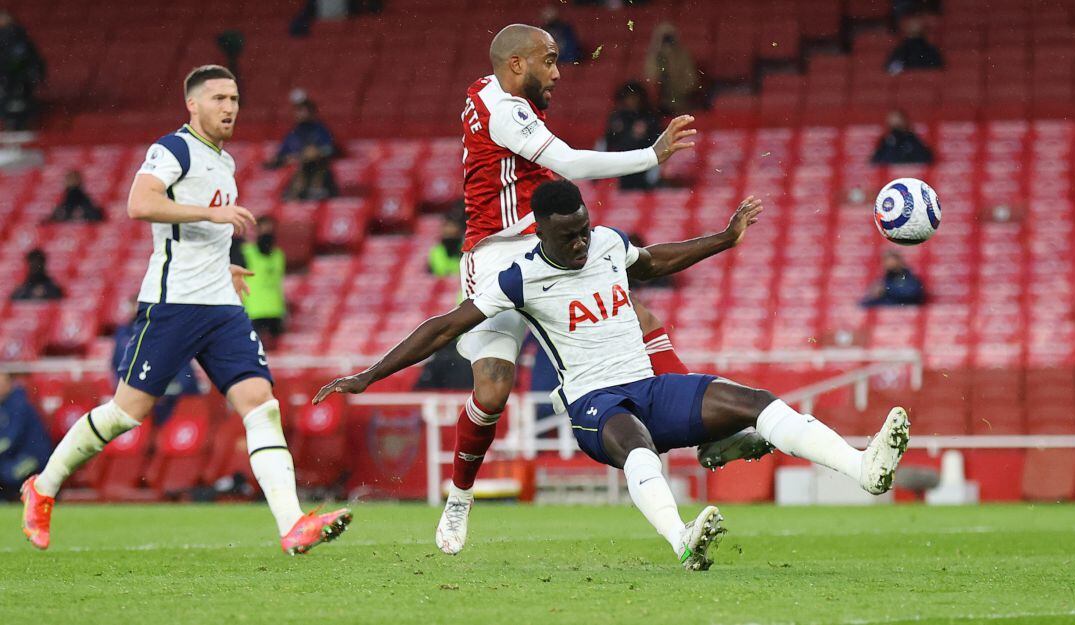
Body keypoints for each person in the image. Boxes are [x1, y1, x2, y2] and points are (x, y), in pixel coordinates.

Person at [314, 180, 910, 570]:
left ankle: (864, 469)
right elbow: (445, 325)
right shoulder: (518, 278)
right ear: (539, 230)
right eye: (568, 235)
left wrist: (725, 239)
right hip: (596, 404)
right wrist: (369, 374)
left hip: (648, 385)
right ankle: (684, 539)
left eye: (584, 228)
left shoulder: (603, 242)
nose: (581, 242)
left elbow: (652, 261)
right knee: (639, 448)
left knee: (755, 400)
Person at [19, 65, 350, 555]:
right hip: (173, 304)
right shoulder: (172, 148)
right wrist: (211, 214)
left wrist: (225, 266)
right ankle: (43, 487)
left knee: (261, 405)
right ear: (192, 104)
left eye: (235, 98)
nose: (229, 107)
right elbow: (139, 203)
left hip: (220, 306)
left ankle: (292, 523)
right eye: (218, 98)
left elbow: (200, 235)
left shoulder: (225, 162)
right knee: (126, 413)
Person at [443, 23, 714, 556]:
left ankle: (707, 436)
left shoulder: (487, 91)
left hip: (545, 243)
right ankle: (459, 497)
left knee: (638, 315)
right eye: (549, 61)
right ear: (517, 65)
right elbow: (566, 162)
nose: (558, 72)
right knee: (494, 389)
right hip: (496, 253)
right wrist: (650, 156)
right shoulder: (503, 109)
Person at [266, 97, 338, 201]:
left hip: (318, 173)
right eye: (298, 111)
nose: (300, 114)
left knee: (311, 158)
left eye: (303, 111)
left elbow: (330, 149)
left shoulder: (321, 130)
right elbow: (280, 155)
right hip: (295, 172)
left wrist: (315, 153)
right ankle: (294, 195)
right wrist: (286, 158)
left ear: (312, 112)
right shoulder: (293, 133)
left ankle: (313, 190)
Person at [0, 372, 52, 501]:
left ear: (9, 383)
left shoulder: (19, 405)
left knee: (7, 476)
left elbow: (11, 439)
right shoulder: (5, 405)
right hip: (14, 457)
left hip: (33, 457)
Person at [604, 82, 661, 190]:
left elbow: (657, 139)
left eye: (634, 97)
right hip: (624, 164)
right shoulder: (617, 117)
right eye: (629, 97)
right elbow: (608, 141)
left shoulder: (649, 117)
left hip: (644, 163)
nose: (632, 101)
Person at [241, 216, 287, 349]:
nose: (267, 233)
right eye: (263, 229)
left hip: (275, 310)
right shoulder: (246, 252)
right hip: (254, 310)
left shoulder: (279, 254)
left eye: (270, 230)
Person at [0, 10, 45, 130]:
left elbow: (21, 58)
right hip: (14, 78)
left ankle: (18, 125)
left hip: (16, 78)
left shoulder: (14, 35)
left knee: (16, 103)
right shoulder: (17, 35)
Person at [644, 23, 701, 115]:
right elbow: (651, 78)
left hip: (683, 101)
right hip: (660, 104)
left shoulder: (684, 56)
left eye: (669, 38)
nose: (667, 42)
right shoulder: (654, 57)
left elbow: (691, 81)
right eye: (664, 38)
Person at [861, 250, 927, 307]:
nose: (888, 263)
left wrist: (887, 290)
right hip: (886, 313)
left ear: (899, 261)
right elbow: (870, 302)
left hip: (903, 313)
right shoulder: (883, 279)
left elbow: (914, 295)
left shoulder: (910, 278)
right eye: (885, 261)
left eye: (891, 260)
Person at [428, 213, 464, 278]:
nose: (449, 229)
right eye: (447, 226)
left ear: (459, 229)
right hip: (444, 285)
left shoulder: (465, 249)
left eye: (453, 226)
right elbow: (440, 270)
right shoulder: (437, 250)